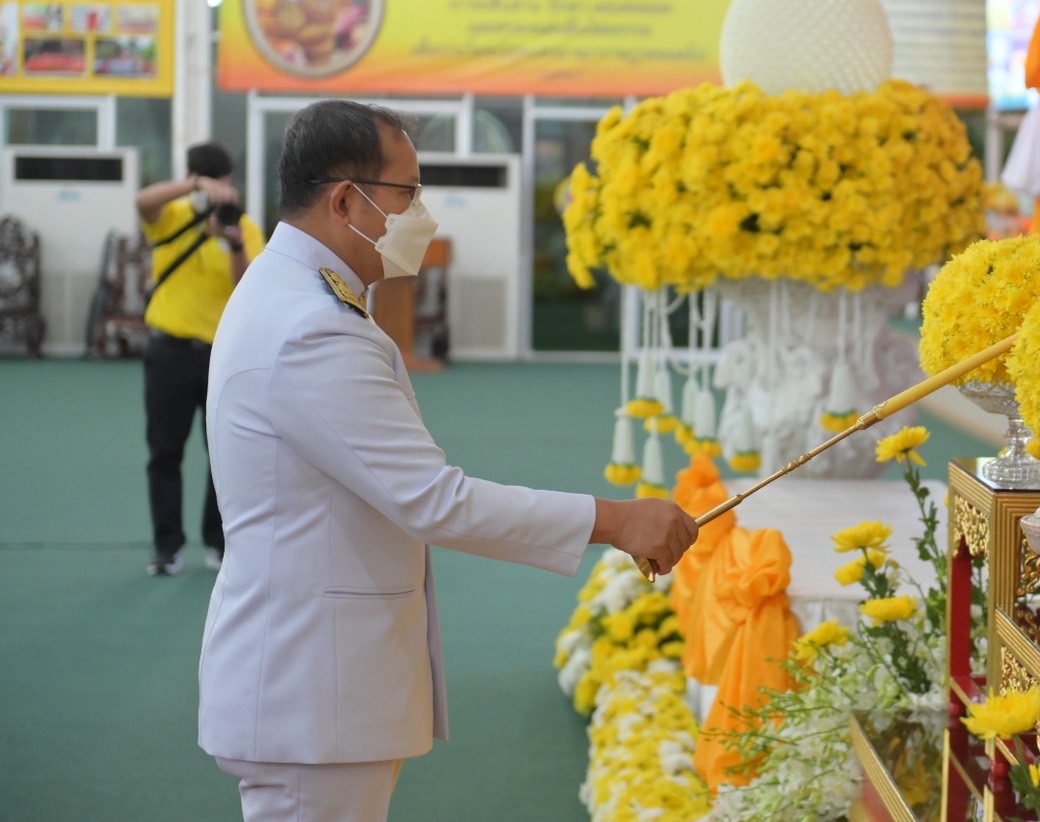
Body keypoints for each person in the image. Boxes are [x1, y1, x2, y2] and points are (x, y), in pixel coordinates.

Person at [197, 99, 698, 821]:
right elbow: (433, 500)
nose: (420, 214)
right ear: (345, 201)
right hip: (313, 689)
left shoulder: (294, 293)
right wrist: (616, 521)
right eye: (406, 193)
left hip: (314, 681)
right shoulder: (310, 326)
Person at [137, 141, 265, 576]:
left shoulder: (243, 225)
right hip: (169, 351)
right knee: (164, 451)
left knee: (226, 453)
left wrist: (234, 243)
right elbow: (142, 202)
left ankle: (219, 541)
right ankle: (167, 547)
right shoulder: (173, 215)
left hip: (223, 355)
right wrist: (193, 187)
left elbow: (250, 287)